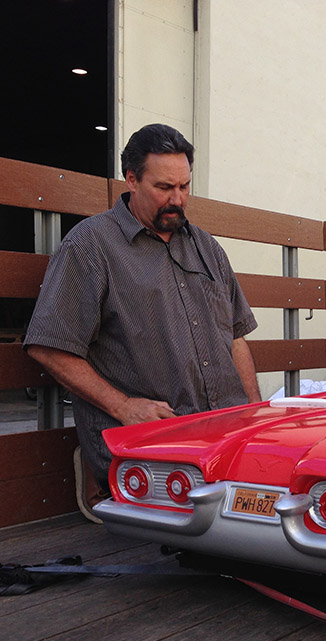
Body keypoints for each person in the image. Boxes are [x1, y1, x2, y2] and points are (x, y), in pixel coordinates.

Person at [24, 123, 261, 502]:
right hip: (152, 447)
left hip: (227, 439)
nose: (178, 200)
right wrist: (123, 407)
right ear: (131, 179)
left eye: (184, 187)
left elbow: (235, 336)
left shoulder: (206, 246)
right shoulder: (91, 245)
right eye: (164, 188)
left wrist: (252, 416)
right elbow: (48, 346)